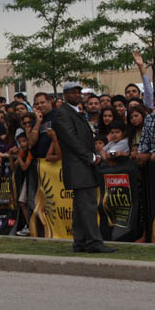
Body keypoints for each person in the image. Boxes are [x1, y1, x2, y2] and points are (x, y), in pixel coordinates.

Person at [52, 82, 115, 254]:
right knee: (87, 205)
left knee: (81, 207)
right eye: (73, 92)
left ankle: (80, 242)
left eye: (79, 92)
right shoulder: (63, 113)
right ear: (65, 95)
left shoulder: (75, 112)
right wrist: (90, 157)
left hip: (82, 164)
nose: (77, 95)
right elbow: (71, 140)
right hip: (78, 165)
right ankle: (94, 242)